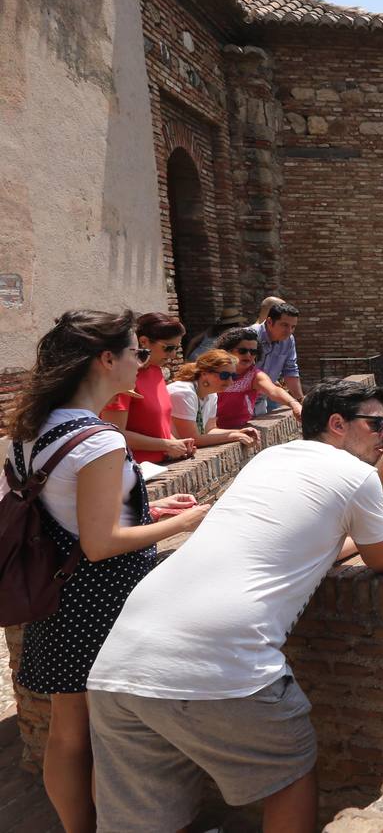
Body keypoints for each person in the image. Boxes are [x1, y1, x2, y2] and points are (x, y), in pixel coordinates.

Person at [87, 379, 383, 833]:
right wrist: (375, 482)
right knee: (288, 776)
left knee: (143, 822)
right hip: (220, 664)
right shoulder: (355, 475)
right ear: (338, 425)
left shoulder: (269, 458)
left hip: (120, 662)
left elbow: (293, 547)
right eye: (376, 423)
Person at [1, 309, 209, 833]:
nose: (143, 361)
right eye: (136, 352)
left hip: (59, 592)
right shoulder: (101, 439)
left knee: (69, 731)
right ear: (106, 360)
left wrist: (147, 510)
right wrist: (188, 520)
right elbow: (101, 544)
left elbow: (65, 510)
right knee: (116, 737)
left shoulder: (30, 430)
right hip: (102, 597)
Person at [100, 312, 196, 464]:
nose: (172, 355)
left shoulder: (156, 371)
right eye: (168, 348)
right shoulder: (124, 377)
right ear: (143, 342)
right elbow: (114, 433)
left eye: (176, 349)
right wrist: (166, 445)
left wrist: (176, 445)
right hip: (134, 469)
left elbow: (159, 427)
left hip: (160, 466)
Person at [167, 350, 263, 449]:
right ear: (204, 374)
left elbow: (210, 430)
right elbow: (192, 438)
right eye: (224, 375)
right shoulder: (183, 393)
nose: (230, 382)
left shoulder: (212, 394)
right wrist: (234, 436)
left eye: (233, 376)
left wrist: (239, 432)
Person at [209, 327, 301, 430]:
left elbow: (274, 390)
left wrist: (294, 404)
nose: (248, 355)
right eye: (243, 351)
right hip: (209, 431)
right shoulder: (211, 371)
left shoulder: (254, 375)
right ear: (228, 350)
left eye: (253, 352)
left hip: (240, 429)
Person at [250, 302, 303, 415]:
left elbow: (290, 370)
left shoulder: (289, 340)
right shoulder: (250, 337)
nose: (289, 331)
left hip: (261, 401)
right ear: (269, 322)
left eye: (293, 327)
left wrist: (300, 401)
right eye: (284, 325)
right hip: (240, 400)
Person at [185, 307, 250, 361]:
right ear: (237, 321)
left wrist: (186, 358)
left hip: (194, 356)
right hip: (208, 359)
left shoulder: (212, 328)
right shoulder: (233, 332)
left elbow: (193, 341)